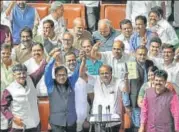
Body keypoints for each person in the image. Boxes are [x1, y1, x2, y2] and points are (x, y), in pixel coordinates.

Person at [44, 48, 86, 132]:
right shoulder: (50, 84)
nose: (62, 77)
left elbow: (77, 71)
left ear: (67, 75)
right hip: (57, 122)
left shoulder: (71, 81)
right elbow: (47, 70)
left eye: (64, 75)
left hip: (71, 120)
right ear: (55, 76)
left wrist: (81, 60)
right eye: (59, 75)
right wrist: (53, 58)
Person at [1, 61, 46, 132]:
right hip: (19, 126)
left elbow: (41, 70)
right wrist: (12, 118)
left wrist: (49, 57)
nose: (22, 75)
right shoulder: (9, 90)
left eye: (24, 73)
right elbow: (3, 106)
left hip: (35, 123)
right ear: (14, 75)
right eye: (19, 74)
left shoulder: (31, 79)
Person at [123, 46, 154, 132]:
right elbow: (127, 85)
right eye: (140, 54)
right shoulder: (130, 65)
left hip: (150, 100)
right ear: (135, 55)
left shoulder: (150, 64)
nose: (142, 56)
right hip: (136, 101)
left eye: (144, 54)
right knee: (138, 125)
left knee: (148, 125)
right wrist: (126, 104)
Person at [92, 65, 128, 132]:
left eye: (106, 73)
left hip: (114, 120)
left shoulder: (118, 81)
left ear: (111, 73)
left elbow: (126, 90)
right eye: (102, 73)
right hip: (99, 120)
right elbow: (82, 76)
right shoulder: (95, 80)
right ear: (99, 74)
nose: (104, 75)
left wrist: (126, 80)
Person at [1, 44, 17, 132]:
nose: (6, 55)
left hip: (13, 101)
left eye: (8, 53)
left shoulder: (16, 65)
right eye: (3, 53)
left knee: (13, 127)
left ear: (11, 53)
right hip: (1, 101)